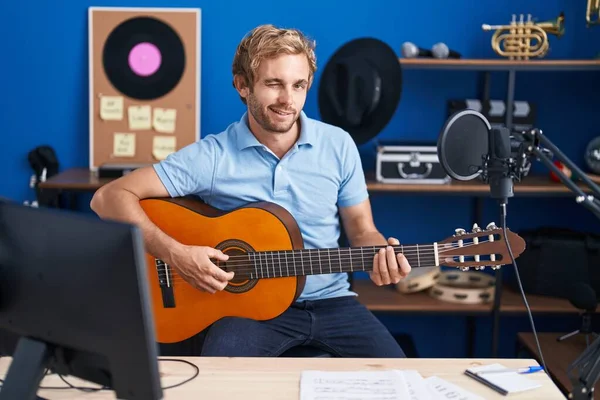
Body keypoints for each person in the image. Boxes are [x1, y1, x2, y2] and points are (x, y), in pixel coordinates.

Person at [90, 24, 412, 358]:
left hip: (334, 303)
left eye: (298, 85)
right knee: (219, 387)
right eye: (274, 84)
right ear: (243, 86)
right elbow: (108, 198)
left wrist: (381, 255)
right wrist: (176, 254)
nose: (288, 100)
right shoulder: (212, 156)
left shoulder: (339, 145)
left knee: (400, 380)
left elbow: (363, 229)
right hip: (248, 312)